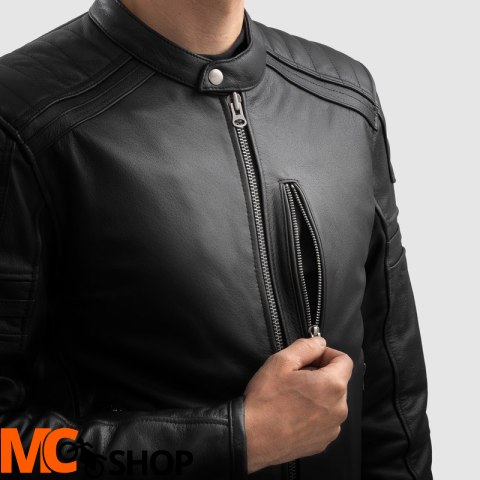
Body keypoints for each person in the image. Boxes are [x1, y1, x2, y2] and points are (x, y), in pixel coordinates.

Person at [0, 0, 433, 478]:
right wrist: (235, 441)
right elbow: (5, 451)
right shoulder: (20, 117)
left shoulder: (345, 99)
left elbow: (394, 406)